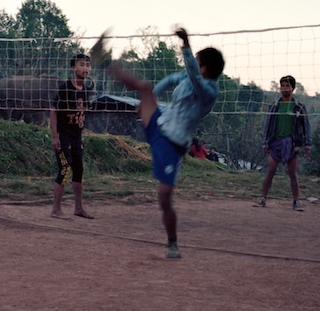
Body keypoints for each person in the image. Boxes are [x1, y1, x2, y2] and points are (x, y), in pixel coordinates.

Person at [90, 27, 223, 259]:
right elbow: (173, 78)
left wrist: (185, 46)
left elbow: (192, 74)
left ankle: (172, 243)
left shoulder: (209, 90)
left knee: (164, 197)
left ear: (204, 68)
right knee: (144, 87)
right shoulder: (187, 77)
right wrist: (150, 98)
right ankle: (102, 60)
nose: (191, 66)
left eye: (196, 62)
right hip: (159, 123)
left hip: (172, 145)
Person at [256, 74, 311, 211]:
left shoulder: (299, 108)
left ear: (293, 88)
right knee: (271, 170)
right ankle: (263, 198)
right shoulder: (274, 107)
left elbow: (306, 126)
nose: (284, 88)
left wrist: (307, 144)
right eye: (282, 86)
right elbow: (267, 126)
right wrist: (265, 143)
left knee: (292, 173)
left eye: (287, 86)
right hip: (276, 143)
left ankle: (296, 201)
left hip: (292, 144)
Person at [50, 53, 95, 219]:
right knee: (65, 168)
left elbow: (83, 114)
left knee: (79, 170)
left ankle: (79, 208)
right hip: (63, 137)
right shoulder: (65, 88)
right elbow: (53, 112)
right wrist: (55, 137)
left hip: (77, 137)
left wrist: (81, 136)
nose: (85, 68)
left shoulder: (86, 90)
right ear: (73, 67)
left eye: (87, 65)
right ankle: (56, 210)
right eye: (82, 64)